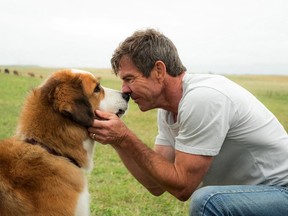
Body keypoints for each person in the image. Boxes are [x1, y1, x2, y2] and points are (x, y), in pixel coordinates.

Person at [88, 28, 288, 215]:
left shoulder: (203, 98)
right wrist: (117, 141)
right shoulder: (169, 111)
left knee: (209, 201)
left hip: (281, 192)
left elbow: (182, 186)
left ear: (159, 70)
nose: (124, 89)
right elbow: (156, 184)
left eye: (130, 79)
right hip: (255, 196)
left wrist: (125, 137)